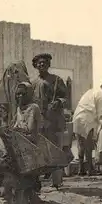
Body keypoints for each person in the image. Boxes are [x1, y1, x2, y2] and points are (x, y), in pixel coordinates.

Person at [30, 53, 68, 188]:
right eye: (39, 63)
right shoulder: (33, 83)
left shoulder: (57, 80)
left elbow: (65, 98)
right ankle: (37, 183)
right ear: (35, 66)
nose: (42, 65)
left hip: (54, 121)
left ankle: (57, 182)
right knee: (39, 151)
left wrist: (58, 102)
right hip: (39, 123)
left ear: (48, 64)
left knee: (56, 150)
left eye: (44, 62)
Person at [11, 82, 45, 204]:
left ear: (29, 94)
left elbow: (29, 129)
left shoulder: (33, 108)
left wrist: (16, 130)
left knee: (28, 183)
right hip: (20, 147)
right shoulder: (19, 109)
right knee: (19, 182)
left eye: (23, 94)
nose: (20, 96)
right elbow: (15, 126)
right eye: (17, 93)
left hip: (31, 148)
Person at [72, 77, 102, 175]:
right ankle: (89, 169)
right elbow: (100, 115)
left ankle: (81, 169)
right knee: (88, 145)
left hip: (77, 117)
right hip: (87, 119)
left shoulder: (91, 91)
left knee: (81, 145)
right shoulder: (101, 95)